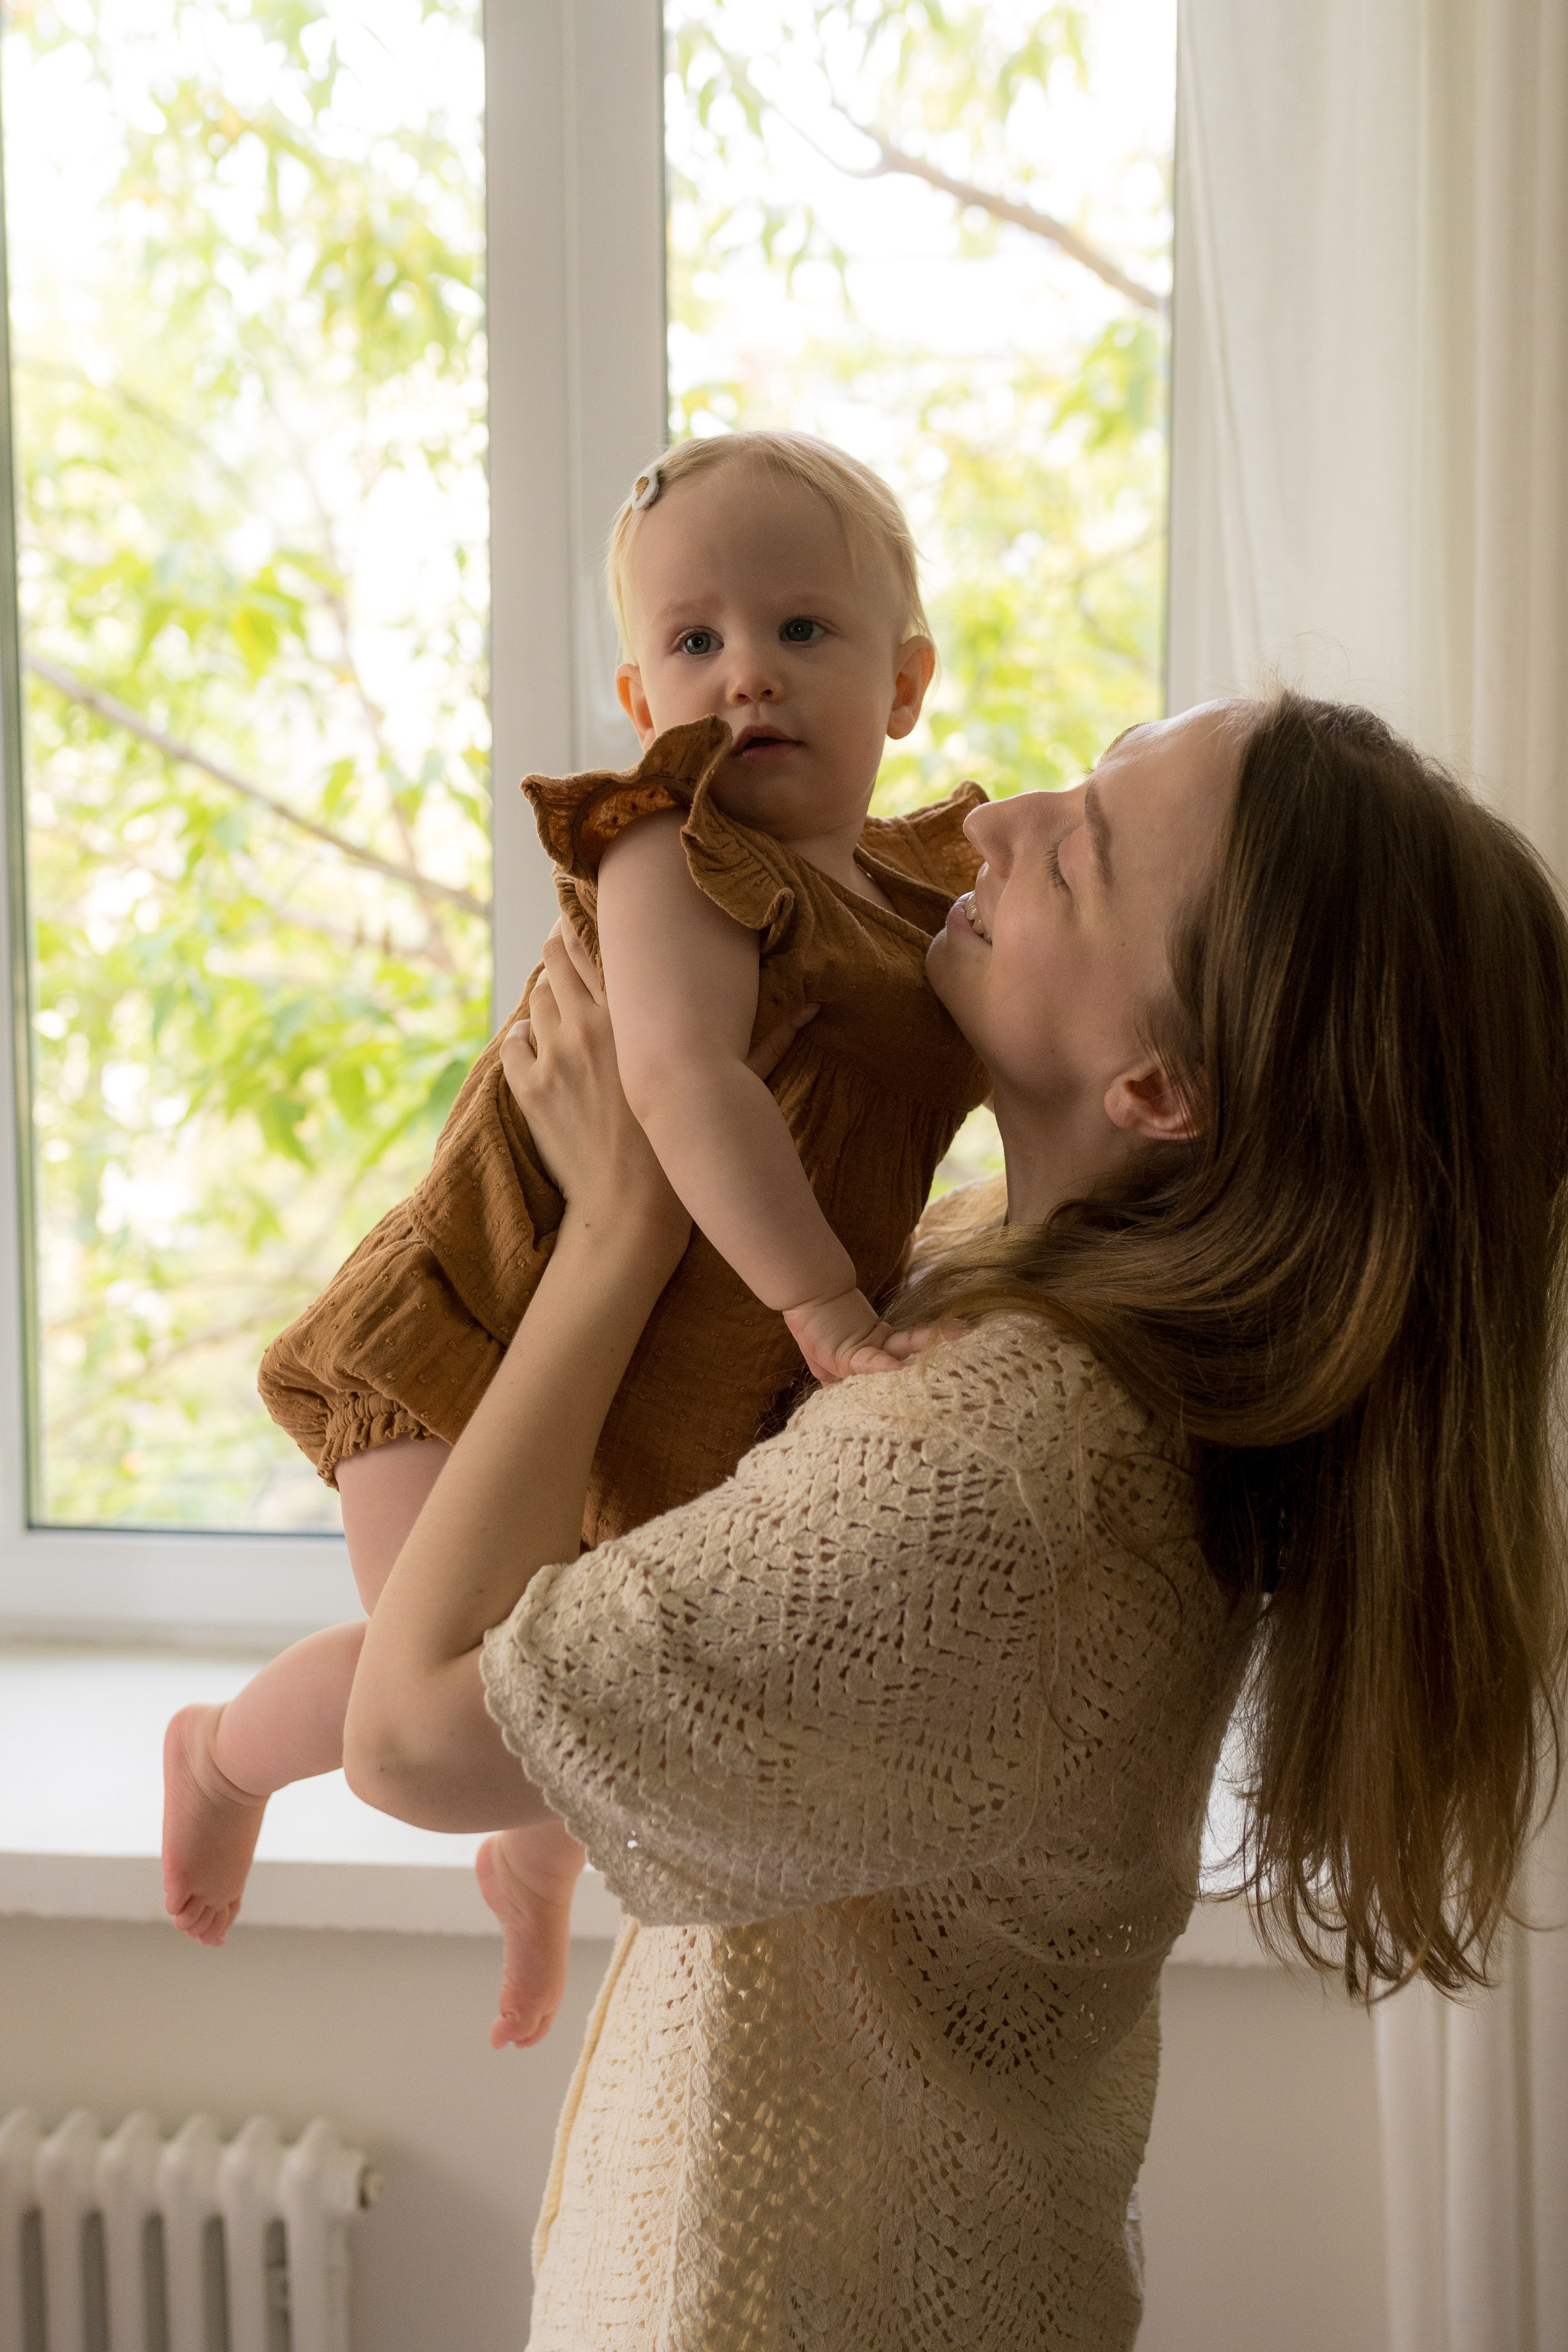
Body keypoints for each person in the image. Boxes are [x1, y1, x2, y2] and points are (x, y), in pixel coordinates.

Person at [342, 690, 1568, 2348]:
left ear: (1159, 1086)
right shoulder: (1010, 1284)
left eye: (1080, 853)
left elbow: (410, 1737)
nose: (994, 822)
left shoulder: (993, 1479)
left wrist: (619, 1224)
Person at [160, 432, 990, 2049]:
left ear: (905, 682)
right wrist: (827, 1308)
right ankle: (219, 1754)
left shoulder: (917, 900)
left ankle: (531, 1875)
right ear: (641, 701)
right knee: (433, 1673)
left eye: (801, 632)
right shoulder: (672, 851)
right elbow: (679, 1086)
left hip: (669, 1392)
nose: (745, 675)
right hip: (479, 1338)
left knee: (561, 1687)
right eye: (697, 642)